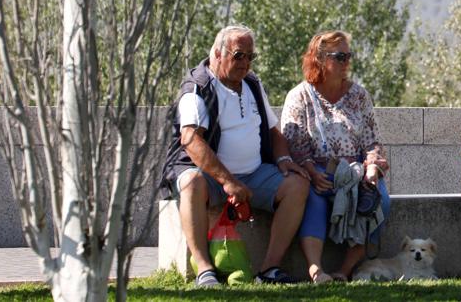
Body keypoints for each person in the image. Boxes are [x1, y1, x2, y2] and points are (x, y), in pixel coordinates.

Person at [160, 25, 311, 287]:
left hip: (255, 172)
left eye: (251, 57)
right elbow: (191, 141)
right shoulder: (198, 87)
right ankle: (204, 269)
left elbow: (274, 131)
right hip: (210, 177)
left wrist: (285, 160)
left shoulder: (252, 84)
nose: (246, 63)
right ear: (218, 54)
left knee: (297, 185)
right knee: (191, 183)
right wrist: (228, 181)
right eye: (239, 55)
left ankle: (270, 269)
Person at [281, 30, 391, 283]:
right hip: (316, 171)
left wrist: (372, 167)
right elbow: (294, 142)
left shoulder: (359, 95)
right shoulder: (300, 96)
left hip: (354, 171)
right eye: (340, 56)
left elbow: (372, 140)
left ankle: (346, 269)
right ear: (319, 58)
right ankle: (316, 270)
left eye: (348, 56)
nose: (346, 63)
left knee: (379, 201)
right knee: (315, 199)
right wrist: (310, 171)